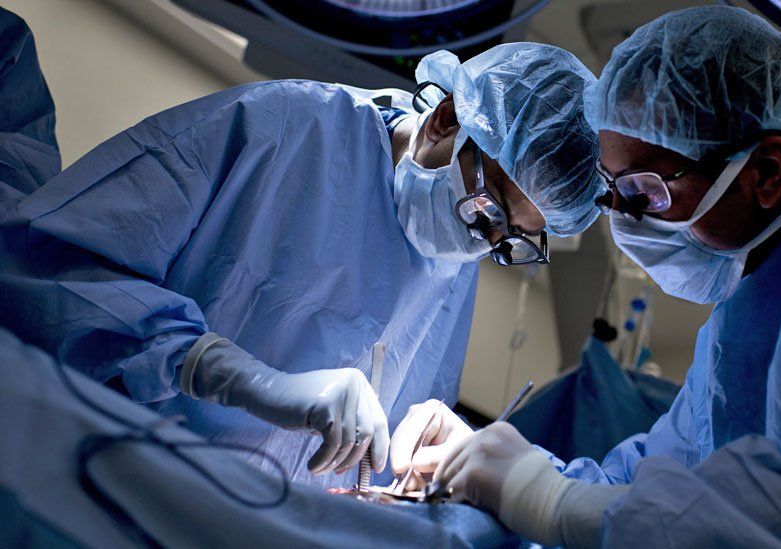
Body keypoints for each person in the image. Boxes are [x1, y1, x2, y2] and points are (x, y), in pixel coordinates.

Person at [389, 6, 781, 547]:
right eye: (613, 187)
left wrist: (547, 500)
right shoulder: (741, 331)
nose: (622, 216)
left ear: (766, 170)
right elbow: (656, 489)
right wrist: (504, 466)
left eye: (644, 192)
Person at [0, 5, 603, 490]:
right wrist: (225, 372)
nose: (485, 240)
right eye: (489, 208)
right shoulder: (278, 128)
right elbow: (49, 272)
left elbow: (370, 447)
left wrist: (407, 476)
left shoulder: (458, 251)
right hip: (95, 480)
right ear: (447, 118)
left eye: (510, 240)